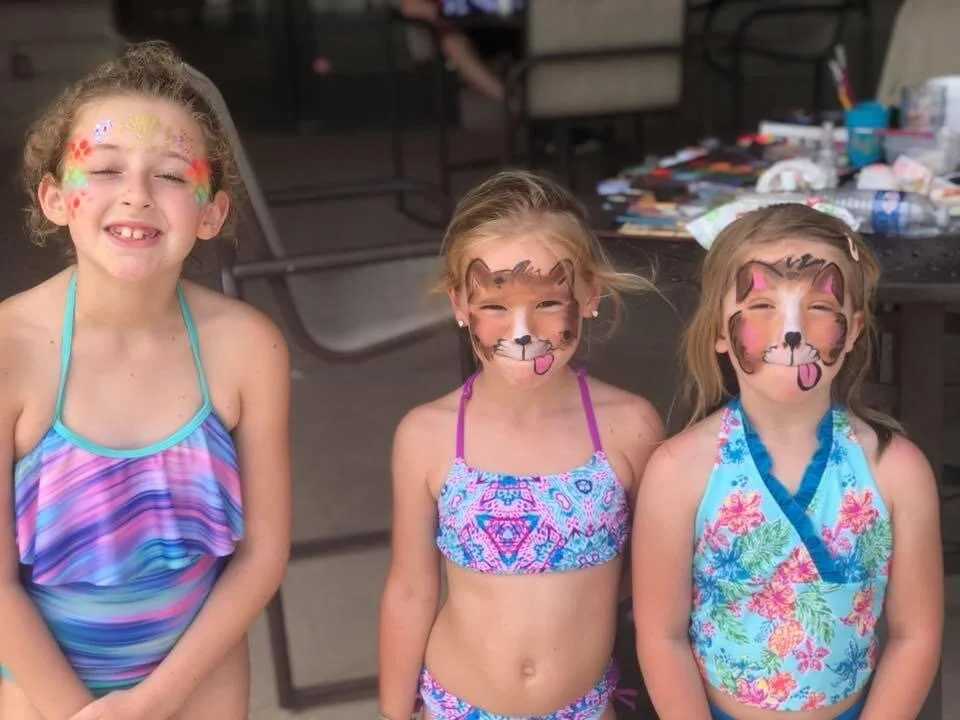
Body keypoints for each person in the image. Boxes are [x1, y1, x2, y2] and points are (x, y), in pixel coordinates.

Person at [0, 41, 291, 719]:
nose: (135, 194)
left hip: (197, 684)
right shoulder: (8, 351)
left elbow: (264, 554)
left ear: (211, 211)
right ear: (54, 197)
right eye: (103, 168)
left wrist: (152, 703)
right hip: (38, 692)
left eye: (168, 175)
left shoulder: (249, 348)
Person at [632, 204, 943, 720]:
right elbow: (662, 636)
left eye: (820, 307)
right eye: (761, 304)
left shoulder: (897, 472)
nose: (791, 329)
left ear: (855, 328)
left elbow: (916, 635)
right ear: (717, 329)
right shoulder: (678, 471)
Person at [378, 169, 664, 720]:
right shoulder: (427, 435)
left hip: (585, 708)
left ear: (589, 295)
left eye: (550, 303)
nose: (522, 329)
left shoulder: (630, 428)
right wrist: (394, 715)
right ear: (460, 304)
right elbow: (411, 593)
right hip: (455, 707)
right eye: (494, 306)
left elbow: (657, 580)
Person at [399, 0, 522, 103]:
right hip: (464, 32)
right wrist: (440, 11)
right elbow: (409, 6)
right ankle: (510, 99)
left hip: (508, 24)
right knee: (453, 45)